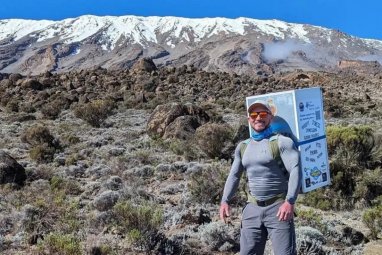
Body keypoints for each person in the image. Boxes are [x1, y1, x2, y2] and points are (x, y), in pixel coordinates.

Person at [219, 100, 301, 255]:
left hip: (278, 208)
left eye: (263, 114)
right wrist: (225, 200)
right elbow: (234, 175)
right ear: (249, 119)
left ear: (270, 117)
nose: (258, 118)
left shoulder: (283, 142)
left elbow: (296, 170)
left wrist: (289, 202)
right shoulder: (243, 146)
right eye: (254, 115)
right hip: (252, 208)